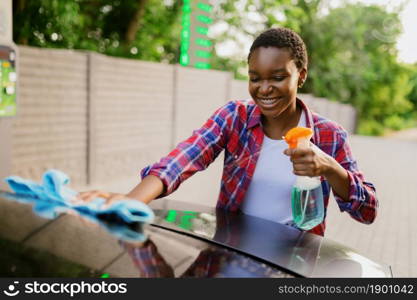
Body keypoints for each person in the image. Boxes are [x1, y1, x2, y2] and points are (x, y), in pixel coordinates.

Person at [79, 27, 378, 236]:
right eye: (254, 78)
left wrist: (330, 167)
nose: (264, 89)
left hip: (292, 267)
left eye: (277, 77)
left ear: (300, 75)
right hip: (233, 256)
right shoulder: (234, 117)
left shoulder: (330, 136)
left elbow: (367, 211)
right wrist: (130, 201)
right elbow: (182, 159)